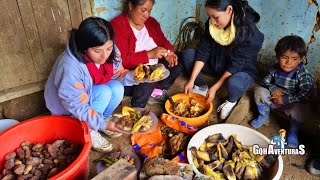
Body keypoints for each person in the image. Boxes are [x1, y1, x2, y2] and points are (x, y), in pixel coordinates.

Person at [44, 17, 124, 152]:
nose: (104, 56)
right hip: (66, 106)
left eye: (109, 48)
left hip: (87, 91)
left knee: (117, 88)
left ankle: (101, 118)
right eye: (98, 51)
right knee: (105, 92)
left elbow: (116, 71)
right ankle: (89, 127)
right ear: (84, 47)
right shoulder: (70, 66)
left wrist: (134, 78)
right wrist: (103, 124)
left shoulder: (108, 49)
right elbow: (75, 103)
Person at [183, 0, 264, 120]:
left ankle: (231, 101)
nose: (212, 22)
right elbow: (204, 51)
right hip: (215, 64)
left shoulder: (252, 35)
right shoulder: (212, 24)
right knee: (188, 54)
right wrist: (192, 79)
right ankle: (200, 88)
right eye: (209, 17)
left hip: (239, 71)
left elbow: (235, 65)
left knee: (235, 83)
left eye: (215, 17)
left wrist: (215, 87)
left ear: (229, 10)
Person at [110, 0, 182, 108]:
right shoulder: (117, 26)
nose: (146, 15)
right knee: (148, 76)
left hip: (153, 67)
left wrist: (169, 52)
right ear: (130, 6)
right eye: (143, 10)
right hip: (131, 76)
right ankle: (138, 106)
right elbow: (123, 61)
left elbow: (163, 41)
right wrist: (149, 54)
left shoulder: (151, 23)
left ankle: (154, 92)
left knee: (177, 63)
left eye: (150, 11)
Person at [250, 35, 315, 148]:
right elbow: (265, 82)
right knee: (259, 91)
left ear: (300, 59)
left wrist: (285, 99)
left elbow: (306, 93)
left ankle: (293, 131)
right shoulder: (274, 69)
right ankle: (264, 116)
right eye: (285, 57)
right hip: (275, 99)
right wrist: (274, 89)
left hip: (292, 103)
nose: (288, 62)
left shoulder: (302, 74)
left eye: (294, 59)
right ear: (278, 56)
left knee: (303, 108)